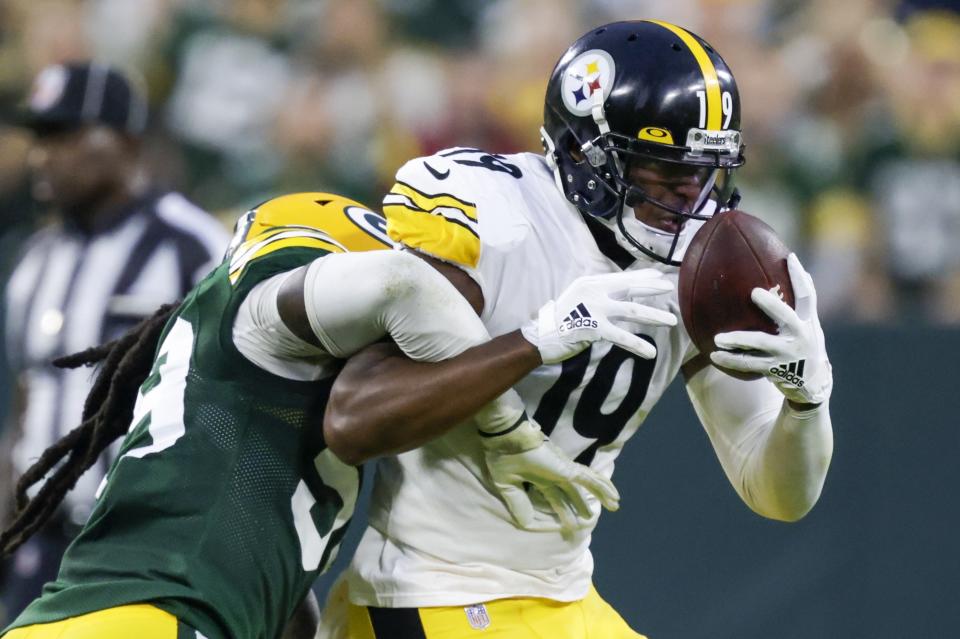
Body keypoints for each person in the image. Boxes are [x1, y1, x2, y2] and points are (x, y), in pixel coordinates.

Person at [319, 19, 836, 638]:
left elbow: (777, 494)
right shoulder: (496, 221)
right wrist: (535, 341)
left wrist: (807, 404)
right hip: (437, 588)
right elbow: (353, 420)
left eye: (703, 173)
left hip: (562, 596)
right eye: (661, 170)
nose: (689, 197)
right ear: (583, 153)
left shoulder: (703, 266)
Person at [0, 189, 663, 639]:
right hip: (149, 620)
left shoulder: (254, 391)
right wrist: (513, 401)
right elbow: (403, 286)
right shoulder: (262, 300)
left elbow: (279, 590)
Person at [0, 61, 229, 622]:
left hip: (150, 546)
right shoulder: (34, 260)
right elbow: (28, 405)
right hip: (45, 544)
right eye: (38, 137)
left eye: (65, 135)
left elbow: (234, 402)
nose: (42, 154)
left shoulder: (194, 247)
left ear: (126, 140)